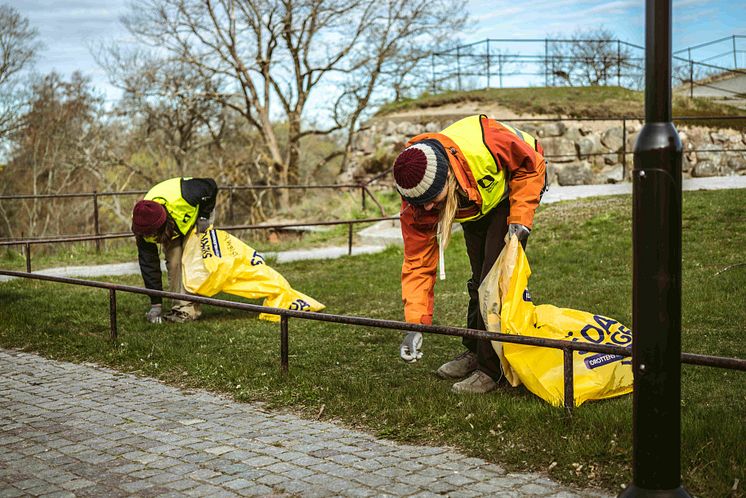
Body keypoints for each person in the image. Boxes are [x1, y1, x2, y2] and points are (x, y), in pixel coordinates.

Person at [394, 114, 546, 394]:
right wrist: (415, 326)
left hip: (514, 186)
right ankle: (475, 350)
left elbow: (531, 165)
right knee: (478, 280)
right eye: (420, 204)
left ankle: (492, 370)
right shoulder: (417, 198)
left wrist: (521, 217)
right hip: (473, 200)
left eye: (432, 201)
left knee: (494, 283)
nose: (427, 210)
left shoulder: (486, 143)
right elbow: (417, 264)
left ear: (448, 178)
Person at [131, 177, 218, 324]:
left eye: (154, 235)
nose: (151, 238)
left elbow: (211, 185)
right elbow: (149, 266)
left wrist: (204, 216)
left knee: (192, 259)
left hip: (195, 213)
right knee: (174, 263)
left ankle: (191, 307)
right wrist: (156, 304)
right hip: (171, 228)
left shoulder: (189, 193)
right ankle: (181, 307)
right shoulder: (142, 226)